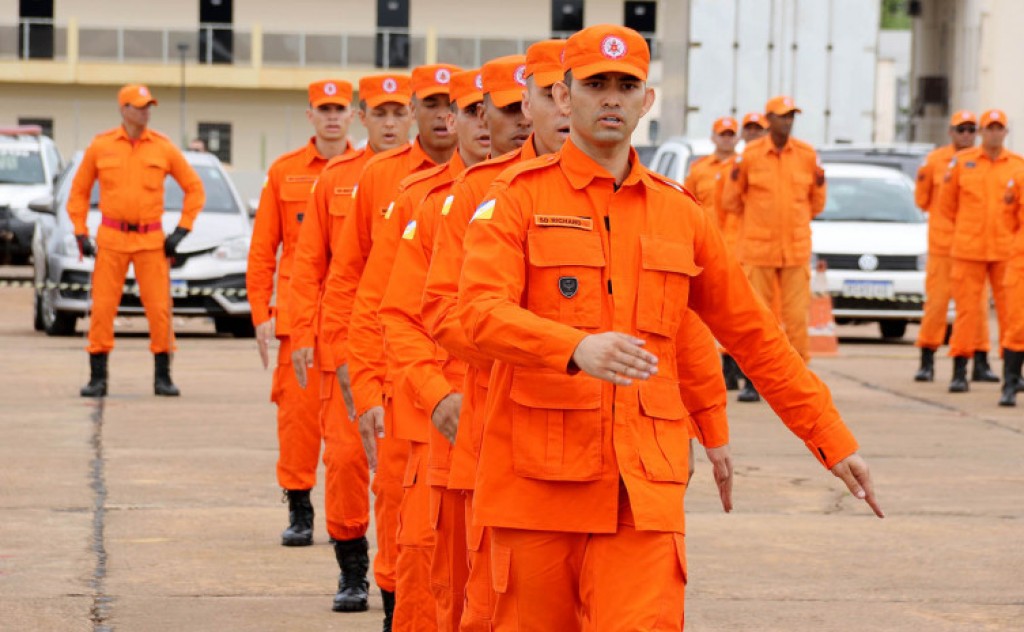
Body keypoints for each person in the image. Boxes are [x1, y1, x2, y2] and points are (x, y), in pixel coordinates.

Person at [456, 24, 882, 631]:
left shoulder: (679, 213)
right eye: (595, 84)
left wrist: (830, 437)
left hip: (643, 488)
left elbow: (754, 335)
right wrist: (575, 347)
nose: (611, 98)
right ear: (563, 97)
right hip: (536, 487)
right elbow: (478, 312)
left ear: (646, 101)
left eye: (626, 85)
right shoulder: (516, 199)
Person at [321, 63, 460, 632]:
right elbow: (351, 279)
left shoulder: (505, 188)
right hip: (397, 367)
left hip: (465, 376)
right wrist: (349, 364)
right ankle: (377, 593)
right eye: (432, 105)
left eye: (455, 105)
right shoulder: (388, 181)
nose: (444, 117)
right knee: (394, 499)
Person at [287, 74, 415, 613]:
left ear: (411, 116)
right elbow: (312, 265)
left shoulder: (434, 178)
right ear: (363, 118)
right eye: (379, 113)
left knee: (402, 474)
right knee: (344, 460)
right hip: (349, 342)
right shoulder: (338, 179)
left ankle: (402, 579)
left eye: (398, 112)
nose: (389, 122)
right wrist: (305, 334)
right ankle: (352, 568)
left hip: (410, 346)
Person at [376, 66, 492, 631]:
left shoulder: (550, 203)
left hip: (521, 420)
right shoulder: (421, 201)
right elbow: (380, 301)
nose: (492, 125)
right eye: (476, 111)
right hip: (435, 410)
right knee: (424, 561)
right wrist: (373, 387)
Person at [246, 80, 355, 547]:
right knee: (298, 420)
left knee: (350, 428)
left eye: (339, 109)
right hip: (298, 315)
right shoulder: (284, 172)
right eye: (323, 109)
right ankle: (299, 506)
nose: (332, 117)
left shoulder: (371, 170)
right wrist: (260, 313)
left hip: (351, 316)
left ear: (352, 115)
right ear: (310, 115)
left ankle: (347, 518)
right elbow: (262, 249)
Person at [70, 84, 205, 398]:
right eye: (139, 106)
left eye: (148, 107)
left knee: (159, 310)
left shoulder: (163, 148)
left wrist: (182, 230)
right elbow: (78, 192)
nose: (146, 112)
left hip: (151, 241)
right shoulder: (101, 146)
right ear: (124, 109)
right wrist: (80, 232)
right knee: (103, 309)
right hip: (112, 239)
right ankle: (98, 377)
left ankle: (163, 377)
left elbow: (194, 188)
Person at [722, 95, 827, 402]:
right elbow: (731, 200)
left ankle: (797, 380)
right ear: (769, 120)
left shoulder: (807, 155)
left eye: (791, 116)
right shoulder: (750, 156)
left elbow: (817, 201)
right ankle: (754, 380)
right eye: (782, 116)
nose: (788, 121)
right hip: (758, 251)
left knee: (796, 318)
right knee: (758, 319)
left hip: (795, 250)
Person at [937, 109, 1024, 393]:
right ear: (981, 132)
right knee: (967, 312)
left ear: (1006, 132)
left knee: (1012, 314)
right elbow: (946, 206)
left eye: (999, 128)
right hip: (968, 250)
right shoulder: (963, 163)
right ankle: (960, 370)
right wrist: (964, 233)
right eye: (989, 128)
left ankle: (1012, 373)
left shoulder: (1017, 166)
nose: (994, 133)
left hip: (1006, 252)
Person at [912, 110, 994, 382]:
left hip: (974, 249)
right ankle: (927, 360)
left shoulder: (985, 162)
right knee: (936, 305)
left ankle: (980, 361)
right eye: (961, 129)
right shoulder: (935, 161)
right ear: (951, 132)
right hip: (944, 247)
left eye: (971, 130)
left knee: (977, 308)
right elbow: (922, 200)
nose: (966, 135)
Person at [685, 116, 742, 390]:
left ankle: (736, 366)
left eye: (731, 134)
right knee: (707, 313)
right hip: (707, 251)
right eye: (723, 134)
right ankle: (719, 366)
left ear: (737, 138)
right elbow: (687, 206)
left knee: (738, 312)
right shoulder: (699, 170)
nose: (727, 139)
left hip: (739, 251)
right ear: (713, 137)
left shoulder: (743, 168)